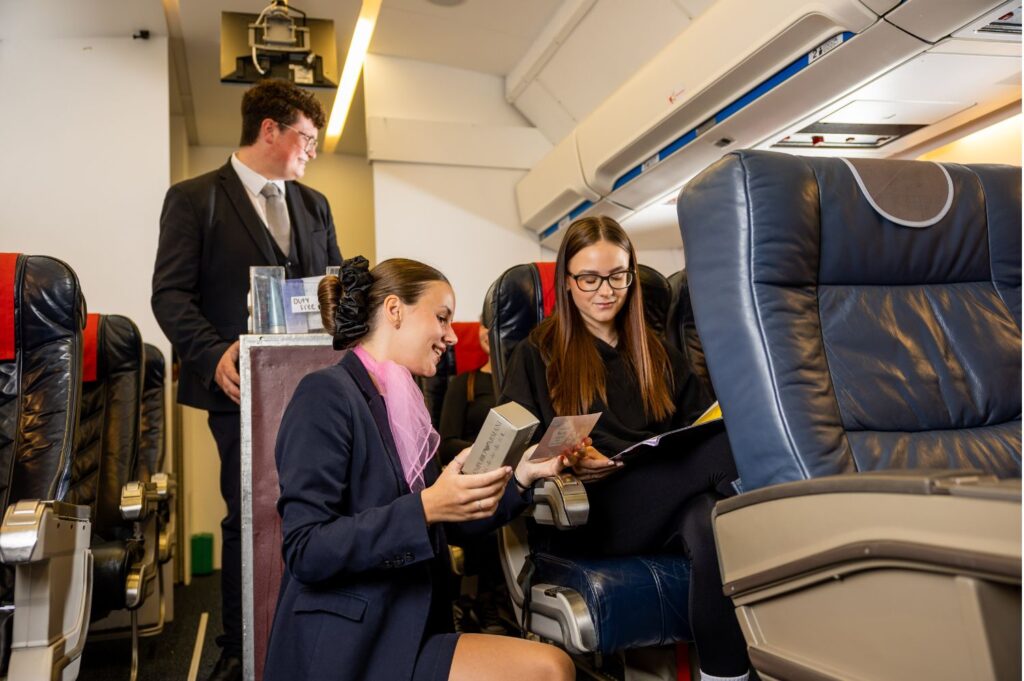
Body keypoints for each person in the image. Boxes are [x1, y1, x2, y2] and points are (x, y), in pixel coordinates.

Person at [263, 257, 576, 681]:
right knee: (549, 669)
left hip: (409, 625)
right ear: (394, 310)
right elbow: (307, 549)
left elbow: (449, 523)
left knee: (552, 667)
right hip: (350, 641)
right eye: (442, 317)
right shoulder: (325, 395)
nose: (450, 335)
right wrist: (426, 506)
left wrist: (522, 475)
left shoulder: (406, 403)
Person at [499, 216, 751, 681]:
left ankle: (724, 675)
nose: (605, 290)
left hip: (665, 503)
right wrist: (565, 460)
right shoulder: (538, 352)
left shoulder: (656, 353)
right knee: (724, 450)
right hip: (591, 512)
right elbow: (512, 452)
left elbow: (696, 426)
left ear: (632, 276)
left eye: (618, 275)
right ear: (568, 282)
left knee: (705, 518)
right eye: (589, 278)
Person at [151, 79, 342, 681]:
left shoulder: (315, 207)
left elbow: (336, 290)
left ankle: (312, 632)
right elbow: (170, 294)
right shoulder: (195, 198)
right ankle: (241, 647)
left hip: (313, 389)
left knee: (317, 509)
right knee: (250, 513)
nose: (312, 152)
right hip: (240, 388)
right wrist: (213, 354)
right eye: (306, 139)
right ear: (270, 131)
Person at [437, 308, 508, 634]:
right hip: (474, 475)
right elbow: (446, 441)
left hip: (514, 474)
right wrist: (484, 453)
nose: (489, 331)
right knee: (487, 520)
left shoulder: (519, 385)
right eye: (485, 324)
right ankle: (486, 603)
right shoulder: (464, 383)